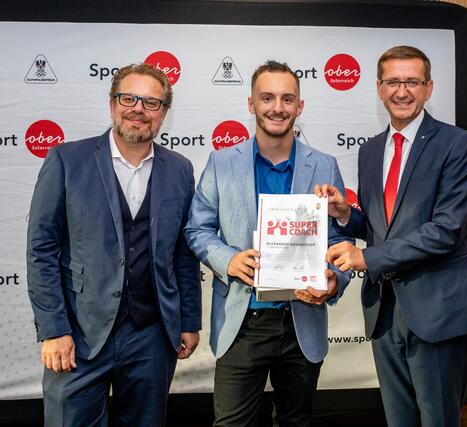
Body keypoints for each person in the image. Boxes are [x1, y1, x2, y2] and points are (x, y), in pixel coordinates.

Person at [315, 46, 467, 427]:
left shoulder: (457, 144)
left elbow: (447, 231)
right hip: (385, 310)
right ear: (378, 88)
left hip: (438, 311)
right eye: (393, 81)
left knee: (439, 420)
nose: (402, 91)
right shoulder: (371, 150)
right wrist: (346, 215)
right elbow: (384, 228)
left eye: (412, 81)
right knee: (398, 420)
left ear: (428, 88)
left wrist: (367, 259)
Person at [26, 63, 202, 427]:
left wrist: (188, 320)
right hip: (78, 332)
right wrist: (54, 329)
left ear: (164, 113)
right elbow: (41, 249)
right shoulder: (66, 160)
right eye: (129, 98)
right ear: (112, 104)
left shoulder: (181, 169)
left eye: (151, 102)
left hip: (152, 335)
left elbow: (183, 254)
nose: (139, 108)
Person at [184, 60, 352, 427]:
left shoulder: (324, 165)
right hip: (243, 322)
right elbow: (197, 229)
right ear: (251, 104)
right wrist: (228, 260)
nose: (277, 107)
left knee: (296, 422)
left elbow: (340, 238)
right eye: (267, 97)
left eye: (287, 98)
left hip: (302, 320)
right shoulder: (221, 162)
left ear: (300, 107)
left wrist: (336, 279)